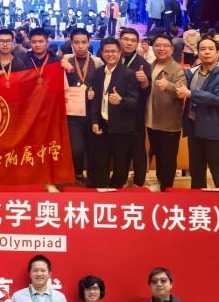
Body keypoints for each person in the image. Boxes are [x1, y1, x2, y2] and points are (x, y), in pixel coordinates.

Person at [177, 38, 219, 188]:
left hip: (215, 131)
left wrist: (190, 94)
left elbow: (218, 98)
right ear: (198, 53)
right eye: (203, 49)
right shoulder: (193, 72)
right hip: (194, 129)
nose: (207, 52)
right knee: (196, 174)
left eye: (210, 49)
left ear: (217, 53)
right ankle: (198, 201)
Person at [90, 38, 139, 189]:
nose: (110, 54)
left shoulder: (128, 74)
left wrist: (121, 100)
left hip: (122, 128)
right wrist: (94, 120)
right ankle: (101, 192)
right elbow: (96, 99)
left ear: (119, 53)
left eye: (113, 51)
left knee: (120, 164)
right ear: (101, 53)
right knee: (101, 162)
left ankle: (116, 192)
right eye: (106, 51)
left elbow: (135, 101)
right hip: (103, 125)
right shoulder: (99, 73)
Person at [145, 34, 186, 191]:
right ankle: (161, 182)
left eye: (165, 46)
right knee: (158, 155)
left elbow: (182, 91)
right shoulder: (150, 66)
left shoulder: (177, 69)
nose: (161, 49)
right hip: (152, 120)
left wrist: (168, 86)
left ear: (172, 49)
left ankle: (167, 189)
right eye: (157, 45)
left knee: (167, 159)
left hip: (168, 123)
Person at [61, 28, 97, 185]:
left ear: (89, 42)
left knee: (92, 149)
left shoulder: (98, 62)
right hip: (73, 114)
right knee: (76, 149)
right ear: (71, 43)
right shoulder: (65, 61)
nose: (80, 46)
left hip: (92, 113)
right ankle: (77, 174)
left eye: (83, 42)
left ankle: (92, 179)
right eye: (76, 42)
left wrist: (95, 93)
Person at [119, 28, 151, 188]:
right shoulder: (113, 58)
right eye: (126, 39)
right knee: (121, 150)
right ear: (120, 40)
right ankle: (121, 180)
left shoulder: (142, 64)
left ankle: (139, 183)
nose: (129, 43)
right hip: (116, 113)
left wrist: (144, 81)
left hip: (135, 114)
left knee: (137, 150)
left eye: (133, 40)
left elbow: (146, 92)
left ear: (137, 43)